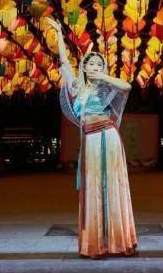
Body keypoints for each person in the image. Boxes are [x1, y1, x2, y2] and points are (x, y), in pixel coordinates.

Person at [47, 18, 137, 259]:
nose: (95, 66)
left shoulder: (105, 87)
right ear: (84, 67)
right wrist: (59, 33)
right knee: (93, 188)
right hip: (89, 140)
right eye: (91, 63)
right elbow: (63, 61)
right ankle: (95, 242)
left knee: (111, 186)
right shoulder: (77, 86)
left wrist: (103, 77)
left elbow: (127, 87)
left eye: (100, 64)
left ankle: (119, 240)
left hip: (107, 137)